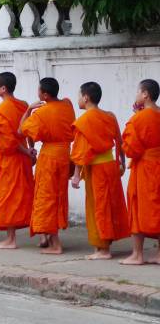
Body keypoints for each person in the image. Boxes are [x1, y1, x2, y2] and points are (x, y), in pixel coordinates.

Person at [70, 82, 129, 260]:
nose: (78, 99)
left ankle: (103, 250)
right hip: (110, 165)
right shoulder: (109, 116)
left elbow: (81, 150)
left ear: (86, 97)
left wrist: (75, 175)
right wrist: (122, 161)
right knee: (109, 205)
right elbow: (119, 141)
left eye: (79, 95)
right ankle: (103, 245)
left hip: (96, 169)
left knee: (99, 207)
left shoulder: (84, 121)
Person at [20, 77, 75, 254]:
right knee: (58, 196)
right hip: (65, 155)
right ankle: (48, 238)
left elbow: (21, 130)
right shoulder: (67, 105)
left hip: (50, 157)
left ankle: (55, 244)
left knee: (46, 198)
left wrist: (29, 109)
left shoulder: (41, 113)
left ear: (44, 94)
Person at [0, 72, 34, 249]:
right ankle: (45, 236)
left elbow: (9, 142)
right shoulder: (23, 105)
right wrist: (30, 150)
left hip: (11, 159)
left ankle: (11, 239)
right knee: (23, 195)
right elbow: (28, 129)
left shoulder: (1, 111)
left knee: (8, 197)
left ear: (3, 88)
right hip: (23, 158)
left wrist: (25, 152)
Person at [120, 79, 160, 265]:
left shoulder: (138, 119)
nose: (136, 95)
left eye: (138, 91)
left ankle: (137, 255)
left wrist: (136, 117)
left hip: (145, 168)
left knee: (138, 207)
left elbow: (131, 150)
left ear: (145, 94)